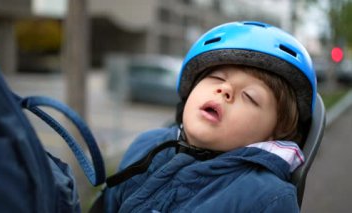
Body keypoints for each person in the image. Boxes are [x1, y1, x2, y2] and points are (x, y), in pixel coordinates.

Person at [102, 21, 317, 212]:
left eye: (250, 97)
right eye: (216, 77)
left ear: (275, 133)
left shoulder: (268, 199)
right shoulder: (145, 146)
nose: (225, 89)